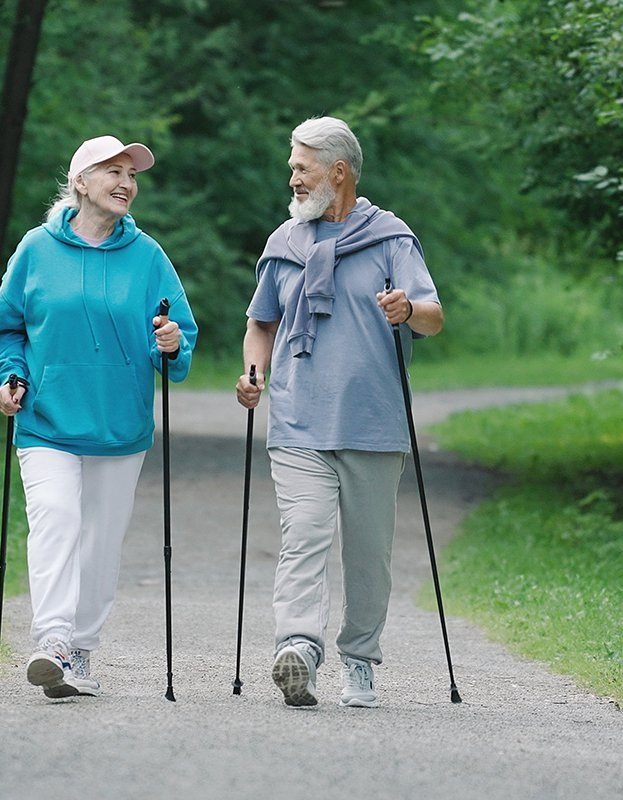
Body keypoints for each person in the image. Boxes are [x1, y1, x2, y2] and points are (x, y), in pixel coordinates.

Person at [0, 135, 197, 699]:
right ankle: (52, 642)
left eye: (132, 175)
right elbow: (5, 330)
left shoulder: (147, 256)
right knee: (55, 517)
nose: (126, 183)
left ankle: (80, 649)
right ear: (80, 181)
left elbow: (179, 336)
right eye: (113, 171)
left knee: (100, 543)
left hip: (119, 425)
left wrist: (171, 342)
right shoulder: (35, 249)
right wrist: (7, 377)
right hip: (46, 418)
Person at [235, 116, 443, 708]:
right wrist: (253, 373)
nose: (293, 179)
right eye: (293, 169)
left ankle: (359, 659)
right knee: (302, 535)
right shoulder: (284, 243)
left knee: (368, 556)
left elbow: (433, 316)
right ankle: (298, 648)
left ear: (339, 172)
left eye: (302, 168)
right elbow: (261, 324)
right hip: (297, 420)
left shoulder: (391, 240)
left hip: (372, 423)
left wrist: (407, 310)